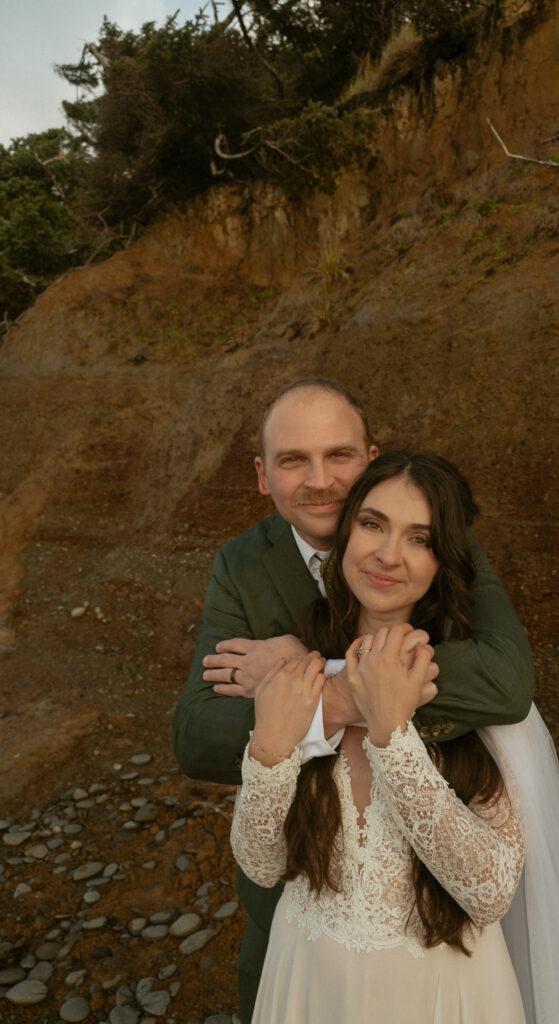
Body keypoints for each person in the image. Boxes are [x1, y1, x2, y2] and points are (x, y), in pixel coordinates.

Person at [172, 378, 535, 1022]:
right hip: (297, 912)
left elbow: (505, 679)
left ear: (371, 459)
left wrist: (320, 676)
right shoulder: (242, 566)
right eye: (292, 460)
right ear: (262, 476)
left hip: (432, 921)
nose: (320, 481)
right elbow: (199, 736)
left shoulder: (434, 539)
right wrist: (330, 702)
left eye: (338, 456)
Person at [230, 452, 559, 1024]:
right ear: (343, 536)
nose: (388, 555)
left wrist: (393, 737)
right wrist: (270, 745)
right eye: (372, 524)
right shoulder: (302, 664)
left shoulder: (477, 685)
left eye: (420, 538)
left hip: (439, 993)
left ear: (446, 559)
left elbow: (488, 891)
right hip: (308, 981)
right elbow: (261, 863)